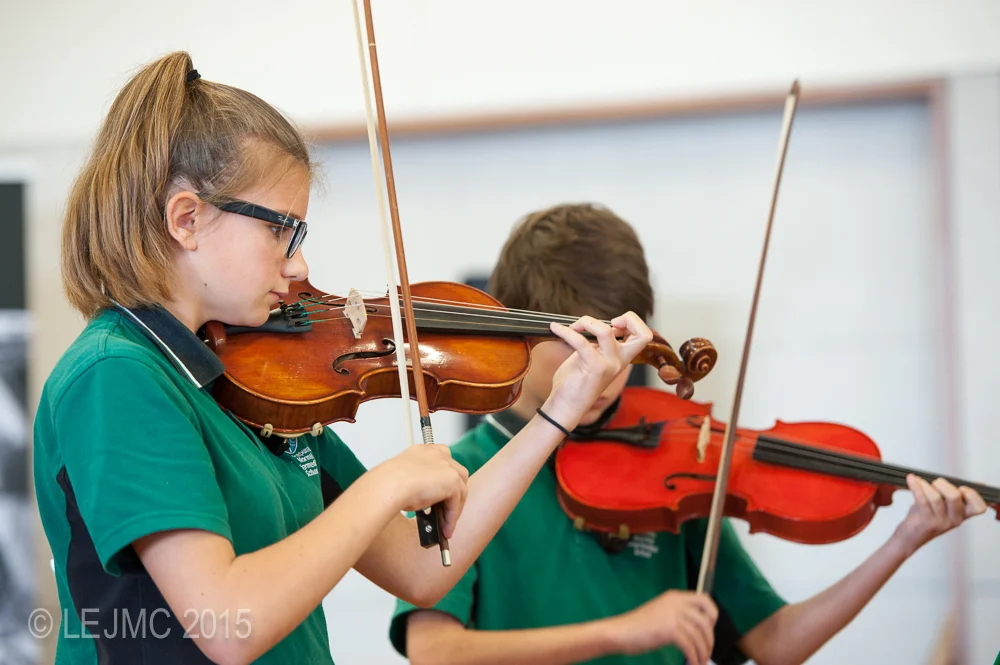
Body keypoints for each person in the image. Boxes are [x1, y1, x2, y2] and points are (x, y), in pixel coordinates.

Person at [31, 53, 656, 665]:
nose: (298, 264)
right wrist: (386, 485)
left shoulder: (252, 378)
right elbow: (227, 625)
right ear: (187, 219)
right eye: (280, 230)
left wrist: (559, 411)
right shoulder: (117, 374)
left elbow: (421, 568)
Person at [388, 203, 989, 665]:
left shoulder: (669, 460)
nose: (604, 370)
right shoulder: (457, 473)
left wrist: (904, 541)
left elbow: (776, 642)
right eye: (578, 343)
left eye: (621, 344)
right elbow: (435, 652)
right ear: (512, 331)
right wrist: (619, 633)